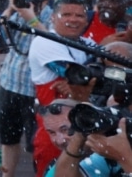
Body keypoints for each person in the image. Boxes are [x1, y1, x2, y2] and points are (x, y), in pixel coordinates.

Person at [28, 0, 98, 175]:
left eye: (80, 15)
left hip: (83, 128)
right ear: (53, 17)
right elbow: (77, 75)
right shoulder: (44, 41)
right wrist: (86, 78)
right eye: (66, 14)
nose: (73, 19)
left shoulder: (89, 44)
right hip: (53, 130)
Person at [47, 42, 132, 177]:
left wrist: (125, 157)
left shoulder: (121, 149)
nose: (124, 117)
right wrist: (83, 128)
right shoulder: (119, 139)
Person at [0, 0, 49, 176]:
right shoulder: (16, 15)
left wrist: (32, 18)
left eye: (32, 0)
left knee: (35, 143)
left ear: (43, 1)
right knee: (8, 138)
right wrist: (9, 10)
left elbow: (52, 43)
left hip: (33, 91)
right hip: (9, 83)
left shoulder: (51, 16)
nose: (28, 4)